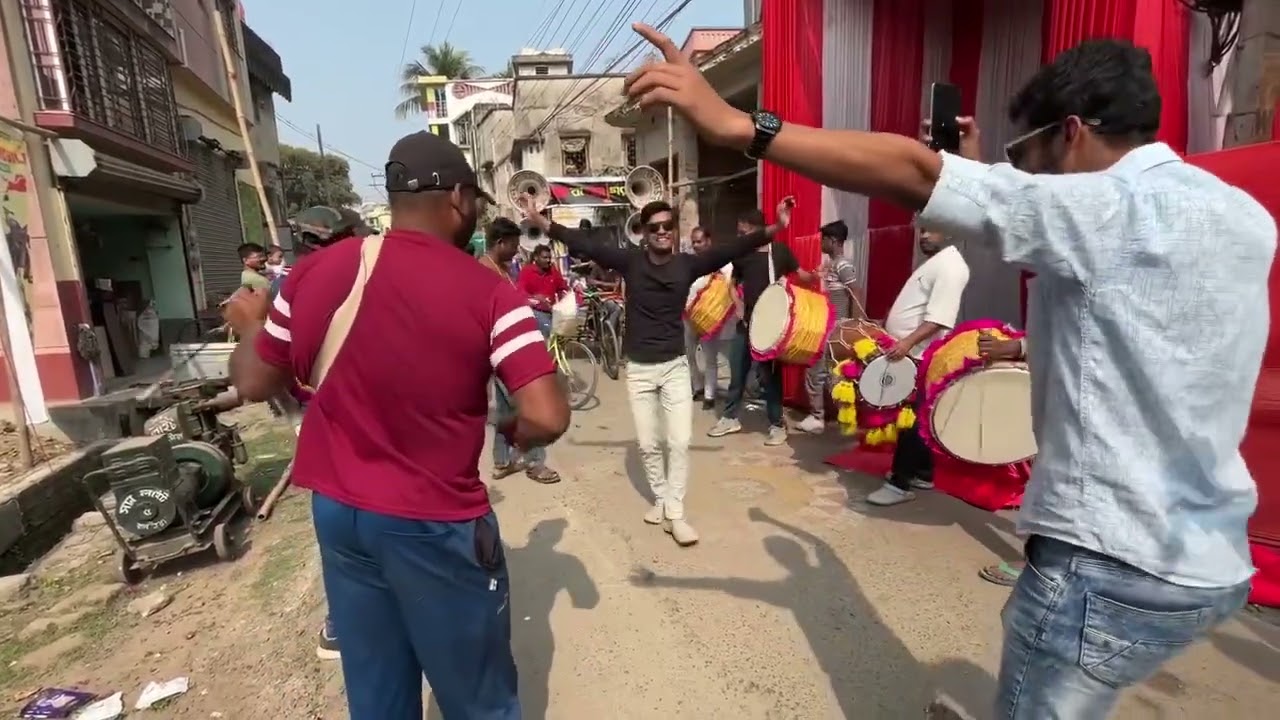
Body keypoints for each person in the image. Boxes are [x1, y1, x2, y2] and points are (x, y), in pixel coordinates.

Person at [626, 27, 1274, 718]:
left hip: (1109, 560)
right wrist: (988, 182)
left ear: (1075, 132)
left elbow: (912, 173)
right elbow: (1139, 334)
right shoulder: (1241, 214)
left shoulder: (1104, 209)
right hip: (1212, 561)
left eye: (1031, 153)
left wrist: (738, 125)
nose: (1031, 173)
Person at [223, 129, 570, 720]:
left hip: (341, 516)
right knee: (478, 698)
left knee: (378, 689)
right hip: (434, 520)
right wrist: (514, 433)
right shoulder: (489, 291)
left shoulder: (314, 273)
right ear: (459, 199)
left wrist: (252, 324)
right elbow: (546, 414)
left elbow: (255, 382)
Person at [519, 195, 793, 546]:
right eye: (655, 228)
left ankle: (675, 513)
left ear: (674, 231)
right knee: (649, 445)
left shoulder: (686, 264)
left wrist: (777, 227)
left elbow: (735, 246)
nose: (662, 232)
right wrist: (541, 221)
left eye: (668, 226)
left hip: (675, 368)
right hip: (639, 370)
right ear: (645, 233)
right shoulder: (630, 262)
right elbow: (583, 242)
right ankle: (662, 497)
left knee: (678, 442)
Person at [865, 228, 970, 507]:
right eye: (922, 229)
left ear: (951, 232)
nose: (924, 235)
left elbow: (939, 318)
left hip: (920, 356)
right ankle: (922, 473)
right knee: (916, 416)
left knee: (911, 420)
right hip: (911, 352)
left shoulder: (951, 267)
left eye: (932, 230)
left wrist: (907, 343)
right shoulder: (937, 262)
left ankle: (899, 484)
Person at [708, 209, 816, 445]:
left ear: (754, 228)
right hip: (746, 324)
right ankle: (730, 417)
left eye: (742, 231)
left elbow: (800, 275)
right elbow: (733, 283)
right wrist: (737, 304)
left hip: (771, 328)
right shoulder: (742, 254)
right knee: (737, 372)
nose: (740, 236)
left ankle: (777, 424)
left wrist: (817, 276)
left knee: (770, 377)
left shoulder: (780, 252)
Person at [482, 217, 563, 485]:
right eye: (514, 244)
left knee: (506, 411)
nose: (518, 250)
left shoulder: (503, 269)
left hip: (509, 346)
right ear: (500, 243)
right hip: (502, 352)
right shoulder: (484, 272)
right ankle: (536, 462)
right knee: (530, 408)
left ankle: (502, 461)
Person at [797, 220, 860, 434]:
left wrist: (852, 326)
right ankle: (831, 418)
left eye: (823, 239)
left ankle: (819, 418)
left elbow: (855, 294)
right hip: (828, 326)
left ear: (833, 241)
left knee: (820, 372)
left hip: (837, 328)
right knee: (826, 374)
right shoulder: (830, 264)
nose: (820, 243)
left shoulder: (843, 265)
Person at [684, 226, 734, 411]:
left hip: (710, 318)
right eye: (694, 242)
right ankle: (697, 386)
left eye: (700, 241)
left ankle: (709, 396)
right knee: (688, 354)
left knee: (710, 357)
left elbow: (731, 282)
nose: (696, 245)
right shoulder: (689, 262)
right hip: (688, 315)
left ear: (708, 241)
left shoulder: (722, 263)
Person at [517, 243, 569, 335]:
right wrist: (536, 298)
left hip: (552, 311)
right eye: (545, 258)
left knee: (568, 330)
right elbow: (521, 293)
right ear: (536, 258)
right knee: (551, 331)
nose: (548, 260)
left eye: (549, 258)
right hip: (534, 312)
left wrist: (565, 298)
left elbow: (562, 287)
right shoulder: (527, 272)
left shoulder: (553, 271)